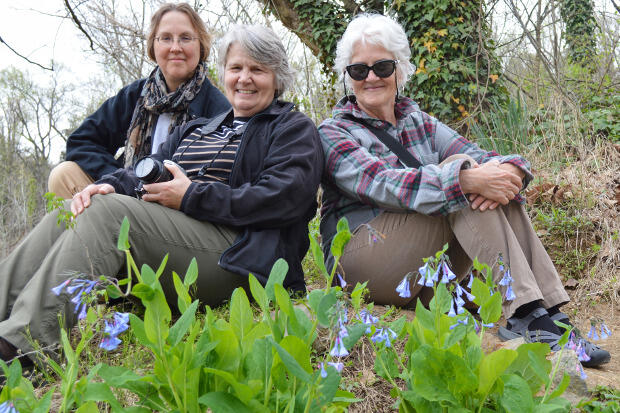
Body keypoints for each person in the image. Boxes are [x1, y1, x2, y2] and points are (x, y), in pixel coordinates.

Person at [0, 24, 323, 367]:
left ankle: (20, 348)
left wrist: (192, 196)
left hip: (240, 257)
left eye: (257, 69)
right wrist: (113, 184)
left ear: (277, 77)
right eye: (236, 68)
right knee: (74, 209)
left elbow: (285, 197)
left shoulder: (291, 127)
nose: (244, 78)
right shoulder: (200, 128)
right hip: (180, 239)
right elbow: (148, 166)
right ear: (225, 73)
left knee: (110, 215)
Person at [318, 13, 609, 366]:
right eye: (358, 70)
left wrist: (512, 168)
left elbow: (481, 157)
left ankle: (545, 309)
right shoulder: (334, 132)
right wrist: (463, 179)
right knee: (457, 179)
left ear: (399, 69)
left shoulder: (420, 121)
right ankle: (527, 311)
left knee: (478, 176)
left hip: (420, 265)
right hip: (361, 259)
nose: (371, 77)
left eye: (381, 66)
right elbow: (382, 184)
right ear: (348, 78)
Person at [47, 2, 231, 199]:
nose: (175, 47)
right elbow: (82, 141)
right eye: (166, 38)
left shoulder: (219, 110)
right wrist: (115, 180)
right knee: (63, 174)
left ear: (201, 46)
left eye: (185, 38)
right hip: (125, 193)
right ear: (153, 45)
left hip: (174, 207)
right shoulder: (137, 95)